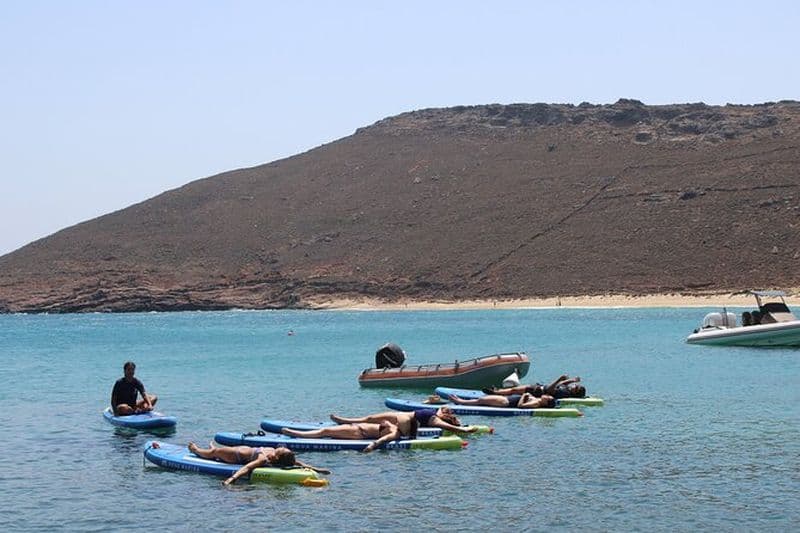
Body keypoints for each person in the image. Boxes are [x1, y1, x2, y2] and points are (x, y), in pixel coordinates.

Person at [186, 442, 330, 485]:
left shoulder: (264, 458)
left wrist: (232, 479)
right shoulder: (276, 456)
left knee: (213, 453)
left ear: (276, 456)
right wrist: (318, 469)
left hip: (234, 455)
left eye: (280, 449)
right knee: (214, 453)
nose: (280, 446)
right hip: (241, 449)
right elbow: (297, 462)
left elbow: (247, 467)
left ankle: (196, 449)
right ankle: (210, 450)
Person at [329, 406, 478, 437]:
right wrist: (446, 412)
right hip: (400, 415)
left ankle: (348, 425)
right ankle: (344, 420)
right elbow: (443, 408)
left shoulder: (435, 420)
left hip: (404, 420)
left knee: (373, 423)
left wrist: (465, 430)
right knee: (369, 418)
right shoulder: (437, 413)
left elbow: (451, 428)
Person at [281, 420, 403, 452]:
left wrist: (372, 445)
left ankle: (295, 433)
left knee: (325, 431)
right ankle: (297, 433)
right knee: (326, 432)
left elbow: (383, 439)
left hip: (358, 432)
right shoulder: (395, 426)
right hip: (356, 429)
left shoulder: (395, 433)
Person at [483, 374, 587, 399]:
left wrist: (560, 379)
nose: (574, 386)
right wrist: (571, 380)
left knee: (513, 390)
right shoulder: (567, 390)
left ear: (575, 393)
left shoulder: (564, 393)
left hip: (538, 391)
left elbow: (550, 390)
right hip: (538, 388)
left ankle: (495, 393)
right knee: (513, 390)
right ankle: (498, 391)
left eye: (576, 387)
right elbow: (561, 384)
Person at [449, 392, 556, 409]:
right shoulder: (537, 400)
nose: (546, 395)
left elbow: (521, 406)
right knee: (482, 400)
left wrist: (524, 395)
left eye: (548, 397)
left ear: (546, 402)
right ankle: (461, 401)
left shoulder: (536, 403)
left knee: (481, 400)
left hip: (506, 402)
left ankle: (461, 402)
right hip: (506, 400)